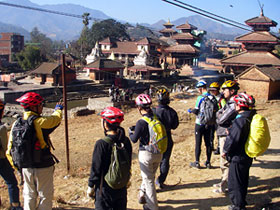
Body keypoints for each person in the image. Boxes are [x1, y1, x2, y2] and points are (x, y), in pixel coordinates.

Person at [6, 92, 63, 210]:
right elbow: (55, 119)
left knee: (29, 194)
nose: (42, 106)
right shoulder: (39, 122)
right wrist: (58, 109)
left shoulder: (16, 124)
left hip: (25, 167)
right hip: (43, 165)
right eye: (40, 104)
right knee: (45, 195)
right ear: (33, 107)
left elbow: (9, 150)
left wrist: (18, 167)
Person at [87, 107, 132, 210]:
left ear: (105, 124)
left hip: (104, 190)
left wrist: (90, 186)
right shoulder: (125, 141)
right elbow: (128, 162)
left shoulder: (101, 144)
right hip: (121, 188)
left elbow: (96, 168)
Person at [129, 94, 162, 210]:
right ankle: (142, 195)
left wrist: (130, 132)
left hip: (146, 154)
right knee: (150, 176)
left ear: (139, 107)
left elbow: (133, 139)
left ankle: (152, 206)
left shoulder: (141, 122)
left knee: (149, 181)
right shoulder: (156, 117)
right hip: (159, 152)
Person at [222, 93, 255, 210]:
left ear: (239, 106)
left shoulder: (240, 120)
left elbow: (233, 139)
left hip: (238, 155)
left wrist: (225, 150)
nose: (234, 106)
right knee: (243, 180)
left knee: (234, 183)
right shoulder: (251, 116)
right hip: (247, 154)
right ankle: (241, 202)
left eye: (235, 104)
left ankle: (237, 206)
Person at [213, 80, 240, 194]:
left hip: (226, 135)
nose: (222, 91)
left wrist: (220, 114)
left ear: (232, 91)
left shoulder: (233, 104)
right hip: (224, 133)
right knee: (224, 161)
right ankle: (224, 182)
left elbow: (220, 119)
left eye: (225, 89)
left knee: (225, 162)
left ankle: (225, 186)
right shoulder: (229, 102)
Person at [0, 99, 23, 210]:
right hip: (1, 159)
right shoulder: (2, 128)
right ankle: (15, 206)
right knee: (11, 182)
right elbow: (5, 148)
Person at [154, 88, 179, 189]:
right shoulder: (172, 112)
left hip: (155, 138)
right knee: (165, 160)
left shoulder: (153, 111)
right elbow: (175, 126)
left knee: (153, 162)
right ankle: (160, 180)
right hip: (167, 137)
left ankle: (149, 184)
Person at [188, 80, 212, 169]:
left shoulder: (200, 97)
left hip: (199, 123)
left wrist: (190, 110)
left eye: (198, 89)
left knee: (198, 143)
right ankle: (208, 162)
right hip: (209, 123)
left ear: (201, 88)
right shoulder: (211, 97)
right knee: (208, 143)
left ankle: (197, 162)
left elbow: (196, 110)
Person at [208, 82, 226, 154]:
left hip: (219, 119)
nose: (212, 91)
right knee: (211, 133)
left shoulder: (222, 99)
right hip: (212, 118)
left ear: (218, 90)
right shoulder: (211, 97)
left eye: (214, 90)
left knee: (219, 134)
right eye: (211, 90)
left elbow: (224, 110)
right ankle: (211, 146)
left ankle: (219, 148)